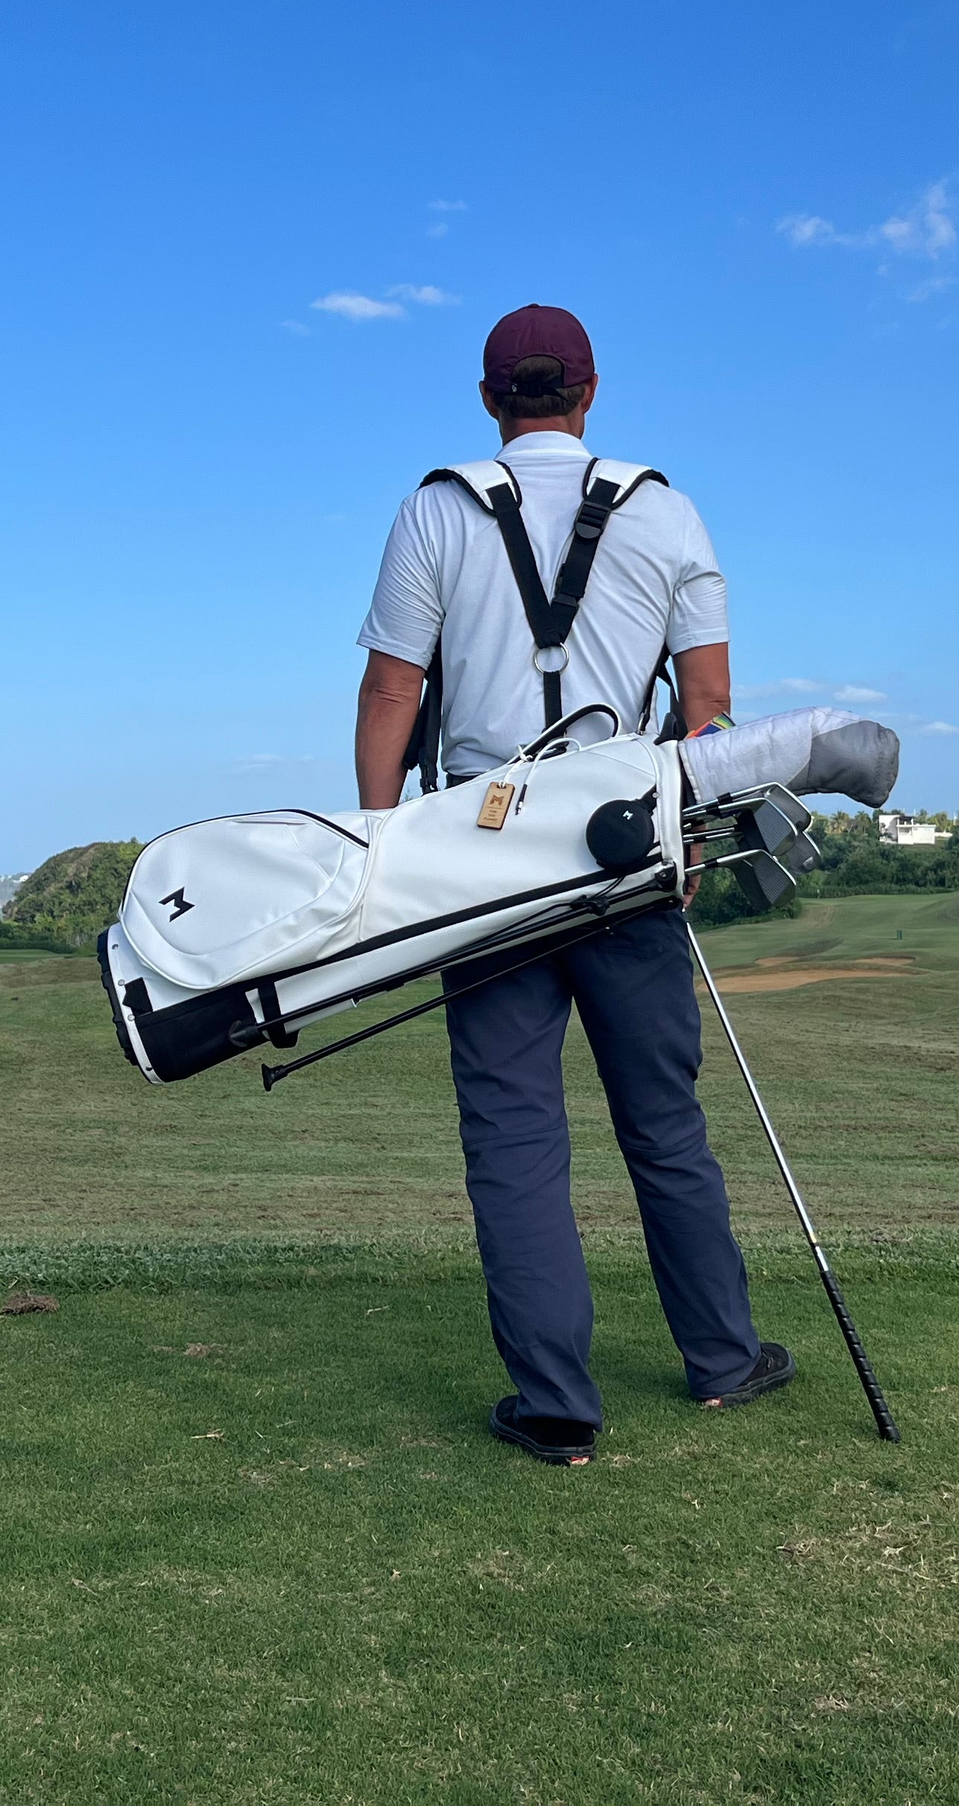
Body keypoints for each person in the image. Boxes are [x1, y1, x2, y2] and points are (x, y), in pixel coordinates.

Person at [354, 304, 795, 1466]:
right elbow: (707, 710)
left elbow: (393, 696)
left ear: (492, 397)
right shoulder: (667, 509)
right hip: (628, 851)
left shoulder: (434, 508)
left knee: (512, 1133)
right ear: (588, 390)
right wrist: (699, 837)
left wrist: (380, 849)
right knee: (665, 1122)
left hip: (480, 862)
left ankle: (557, 1408)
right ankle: (721, 1359)